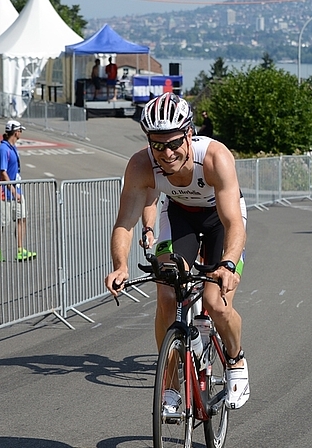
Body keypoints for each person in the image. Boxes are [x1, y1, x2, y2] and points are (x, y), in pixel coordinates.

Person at [104, 92, 250, 410]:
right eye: (158, 145)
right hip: (180, 215)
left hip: (221, 219)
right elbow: (125, 222)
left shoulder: (214, 157)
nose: (167, 153)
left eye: (173, 143)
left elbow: (234, 224)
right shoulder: (141, 165)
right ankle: (170, 383)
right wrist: (120, 266)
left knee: (216, 302)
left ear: (189, 134)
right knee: (167, 295)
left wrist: (227, 263)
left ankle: (236, 360)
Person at [0, 120, 36, 262]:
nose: (21, 133)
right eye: (20, 130)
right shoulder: (3, 149)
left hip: (16, 190)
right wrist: (13, 191)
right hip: (4, 192)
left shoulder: (12, 147)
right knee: (1, 223)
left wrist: (17, 192)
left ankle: (20, 249)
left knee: (22, 218)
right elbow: (3, 173)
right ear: (15, 132)